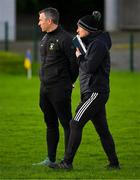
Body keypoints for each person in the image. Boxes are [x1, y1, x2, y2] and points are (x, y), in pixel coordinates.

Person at [55, 11, 120, 170]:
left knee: (75, 123)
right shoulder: (93, 42)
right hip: (93, 91)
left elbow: (89, 67)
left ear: (87, 29)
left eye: (79, 28)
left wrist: (78, 56)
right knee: (102, 130)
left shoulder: (98, 44)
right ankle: (114, 163)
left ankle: (67, 163)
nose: (77, 30)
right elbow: (88, 64)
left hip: (95, 92)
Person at [33, 7, 78, 167]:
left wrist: (68, 83)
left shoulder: (66, 39)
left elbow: (74, 65)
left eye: (41, 20)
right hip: (44, 89)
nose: (39, 23)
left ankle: (67, 162)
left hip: (60, 89)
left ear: (49, 21)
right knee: (50, 124)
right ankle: (50, 159)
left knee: (67, 124)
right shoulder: (45, 38)